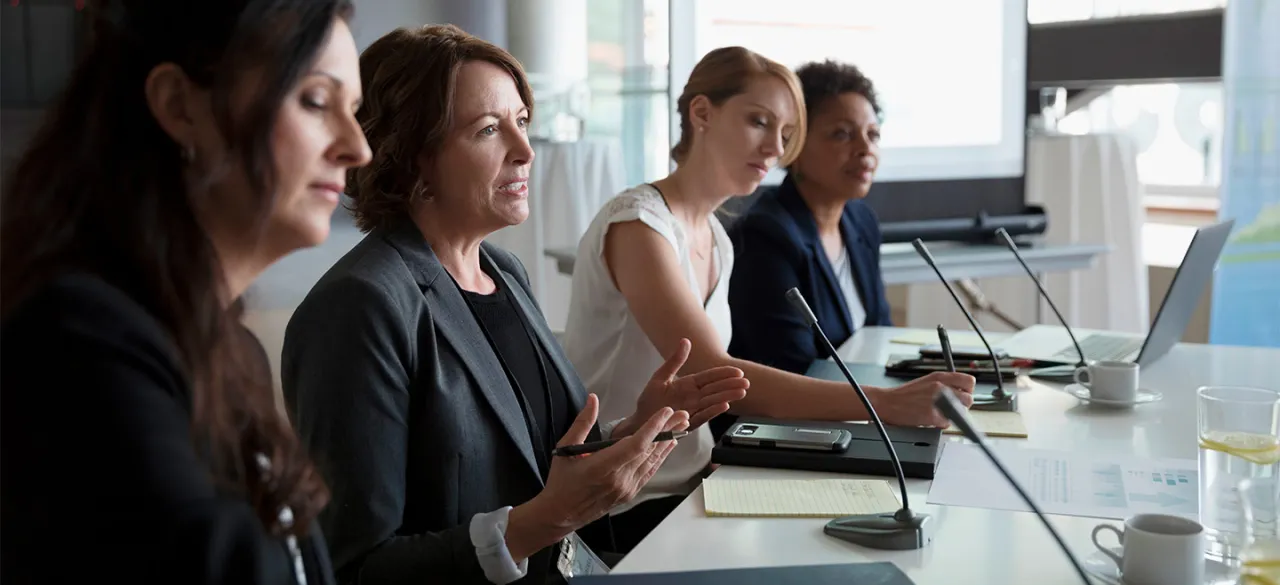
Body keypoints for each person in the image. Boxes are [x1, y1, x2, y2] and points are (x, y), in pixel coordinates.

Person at [281, 25, 747, 585]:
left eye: (521, 122)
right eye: (487, 130)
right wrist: (548, 520)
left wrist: (632, 432)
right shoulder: (360, 306)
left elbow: (535, 461)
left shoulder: (504, 271)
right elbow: (358, 568)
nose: (525, 151)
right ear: (411, 155)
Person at [0, 1, 371, 583]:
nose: (358, 147)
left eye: (354, 111)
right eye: (316, 102)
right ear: (179, 106)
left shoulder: (229, 351)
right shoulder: (79, 343)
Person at [562, 47, 976, 552]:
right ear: (702, 113)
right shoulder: (638, 224)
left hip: (692, 486)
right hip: (621, 502)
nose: (774, 149)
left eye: (784, 135)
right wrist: (886, 405)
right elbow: (712, 372)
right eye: (759, 122)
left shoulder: (717, 237)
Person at [728, 60, 892, 374]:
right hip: (793, 417)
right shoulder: (766, 234)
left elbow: (881, 333)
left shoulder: (861, 221)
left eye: (873, 135)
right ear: (794, 144)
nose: (864, 149)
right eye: (842, 134)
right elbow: (790, 366)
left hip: (861, 403)